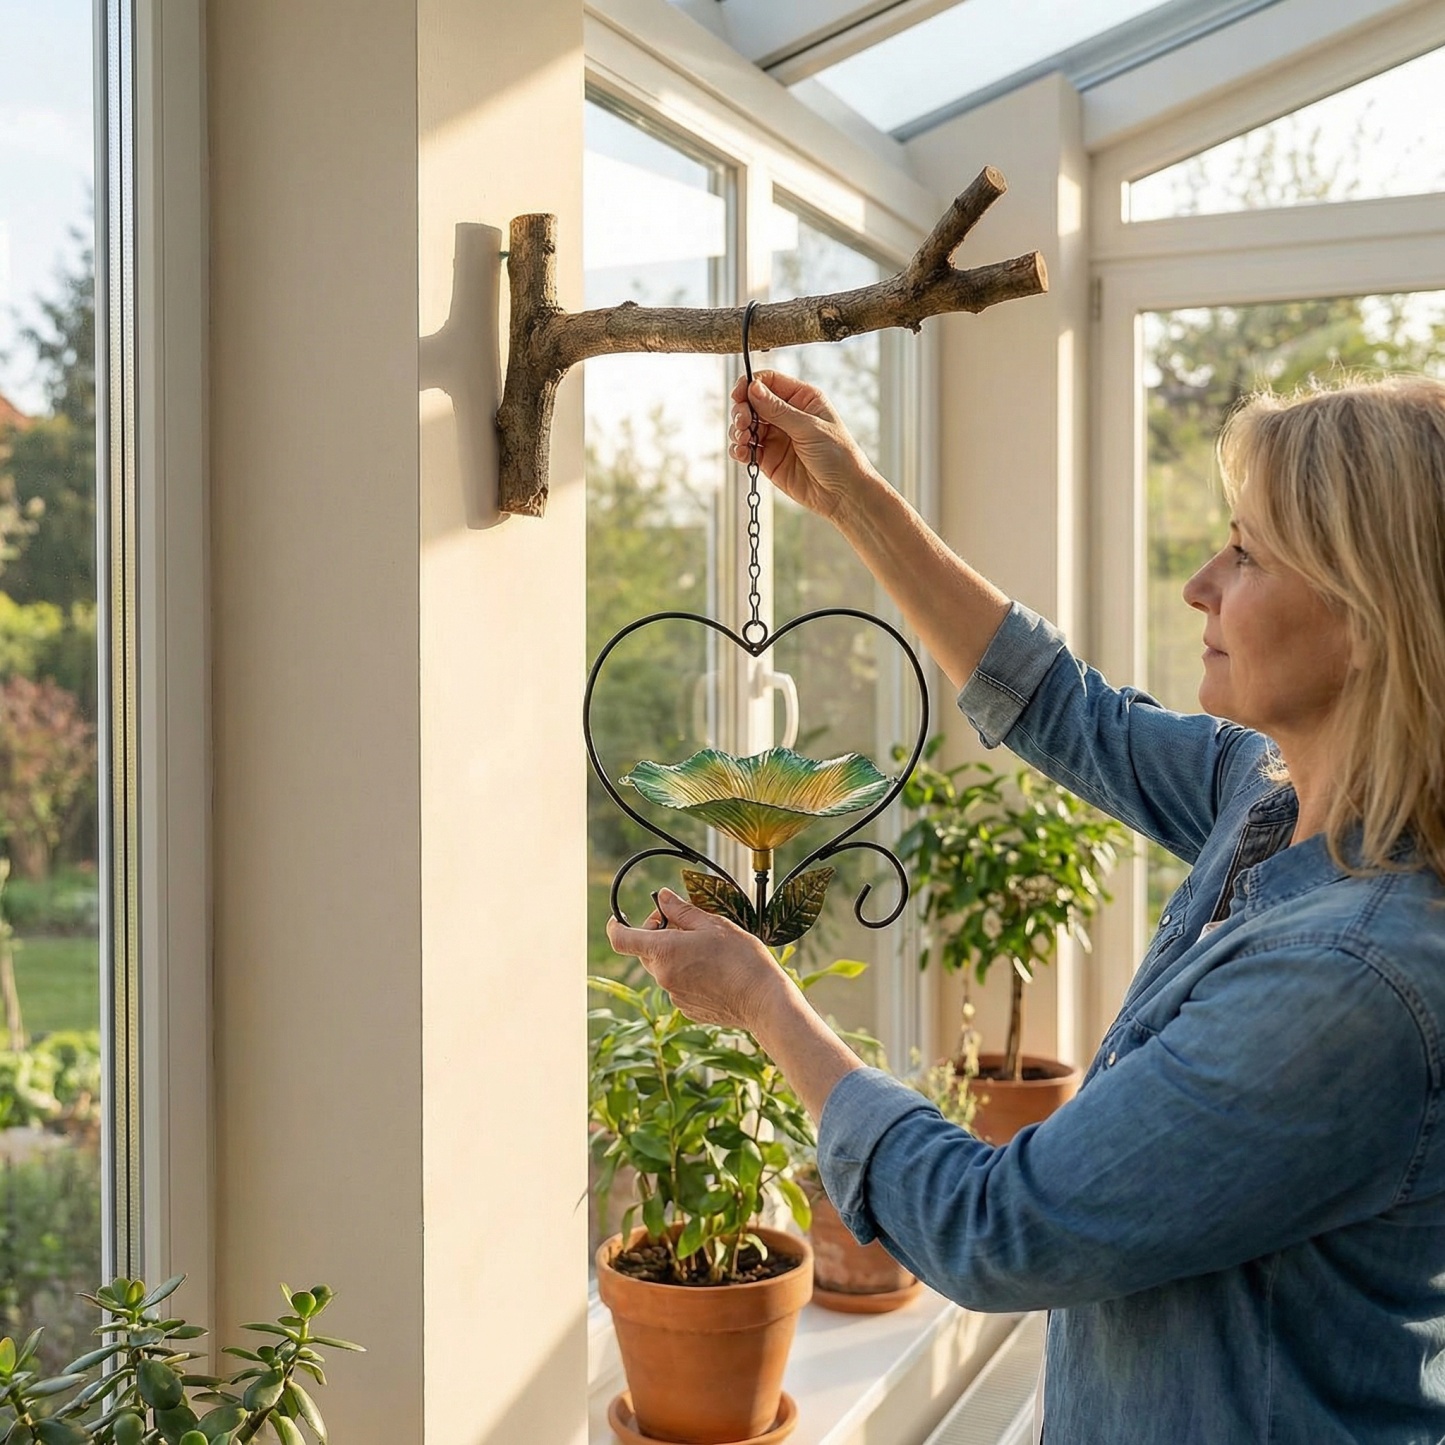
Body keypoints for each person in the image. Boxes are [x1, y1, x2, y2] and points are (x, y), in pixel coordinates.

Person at [607, 368, 1445, 1444]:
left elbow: (993, 1225)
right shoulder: (1269, 800)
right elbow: (1062, 706)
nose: (1197, 584)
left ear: (1368, 620)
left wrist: (762, 1003)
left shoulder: (1352, 982)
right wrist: (848, 492)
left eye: (1244, 553)